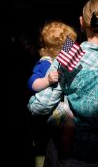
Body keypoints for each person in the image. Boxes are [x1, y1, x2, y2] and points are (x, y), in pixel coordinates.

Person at [27, 0, 98, 166]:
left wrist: (63, 110)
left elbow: (38, 107)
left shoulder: (69, 54)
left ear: (81, 22)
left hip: (71, 157)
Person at [27, 20, 77, 158]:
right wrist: (47, 80)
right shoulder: (45, 63)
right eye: (69, 46)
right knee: (43, 145)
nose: (71, 49)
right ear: (61, 49)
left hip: (56, 108)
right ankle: (61, 157)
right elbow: (32, 83)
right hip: (46, 113)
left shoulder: (62, 63)